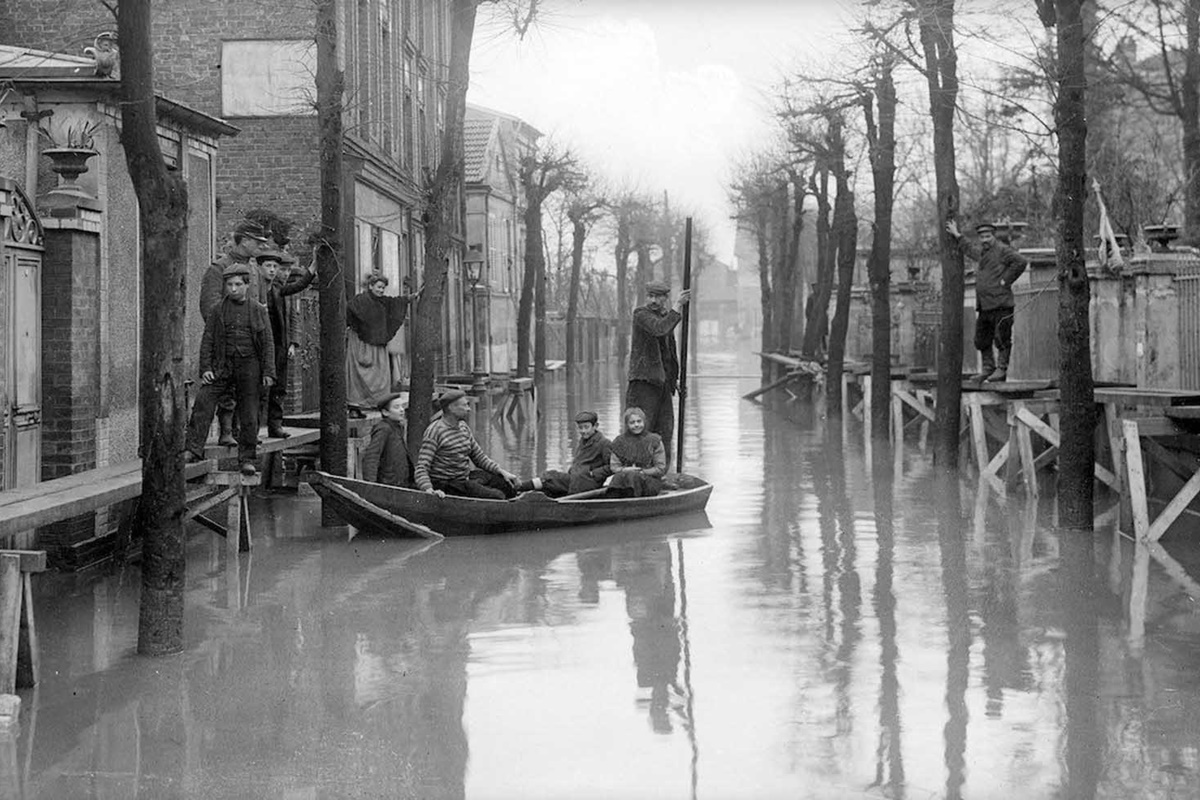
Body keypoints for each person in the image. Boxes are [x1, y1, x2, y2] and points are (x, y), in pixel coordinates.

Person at [184, 263, 275, 471]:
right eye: (229, 285)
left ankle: (247, 459)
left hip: (249, 365)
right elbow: (207, 340)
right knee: (203, 401)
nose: (233, 289)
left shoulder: (258, 310)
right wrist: (206, 368)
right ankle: (193, 449)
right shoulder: (217, 310)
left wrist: (268, 371)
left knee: (249, 413)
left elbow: (268, 342)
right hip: (222, 365)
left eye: (237, 284)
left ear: (247, 285)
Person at [199, 218, 272, 445]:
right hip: (226, 338)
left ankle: (246, 434)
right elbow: (210, 307)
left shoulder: (254, 271)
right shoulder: (219, 268)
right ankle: (226, 431)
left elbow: (261, 306)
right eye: (257, 242)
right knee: (226, 388)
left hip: (252, 341)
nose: (261, 247)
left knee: (250, 389)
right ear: (245, 241)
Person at [946, 219, 1029, 382]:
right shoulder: (983, 252)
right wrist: (957, 235)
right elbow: (969, 249)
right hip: (985, 306)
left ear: (994, 236)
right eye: (982, 237)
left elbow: (1021, 261)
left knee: (1002, 338)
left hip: (1002, 304)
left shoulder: (1003, 250)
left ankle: (1001, 370)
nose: (985, 239)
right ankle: (987, 368)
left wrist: (1006, 280)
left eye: (988, 236)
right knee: (981, 339)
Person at [626, 280, 690, 458]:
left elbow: (669, 354)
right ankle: (636, 475)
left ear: (664, 299)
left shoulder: (665, 317)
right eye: (650, 296)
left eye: (658, 297)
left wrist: (674, 380)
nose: (653, 300)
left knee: (664, 433)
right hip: (643, 385)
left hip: (662, 386)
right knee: (640, 430)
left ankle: (660, 475)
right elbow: (659, 330)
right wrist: (678, 306)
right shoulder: (641, 315)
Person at [414, 390, 518, 499]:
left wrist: (501, 472)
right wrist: (429, 489)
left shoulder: (463, 427)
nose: (469, 409)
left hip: (464, 478)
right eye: (464, 405)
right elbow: (422, 467)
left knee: (506, 485)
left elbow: (479, 458)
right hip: (447, 484)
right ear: (451, 408)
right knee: (498, 496)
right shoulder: (435, 431)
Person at [256, 249, 316, 438]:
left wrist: (311, 270)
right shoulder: (252, 289)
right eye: (268, 266)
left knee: (279, 387)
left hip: (278, 346)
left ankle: (275, 426)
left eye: (275, 266)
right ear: (259, 268)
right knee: (258, 389)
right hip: (259, 347)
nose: (272, 270)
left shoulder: (278, 290)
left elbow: (297, 287)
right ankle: (253, 430)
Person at [346, 271, 419, 415]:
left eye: (383, 288)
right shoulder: (360, 301)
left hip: (378, 345)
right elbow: (348, 314)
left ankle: (377, 403)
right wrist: (355, 330)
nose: (380, 290)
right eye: (378, 287)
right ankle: (355, 406)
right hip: (360, 344)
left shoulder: (384, 302)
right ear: (371, 286)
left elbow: (398, 302)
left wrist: (413, 296)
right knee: (357, 376)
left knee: (380, 376)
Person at [515, 410, 612, 497]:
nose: (583, 431)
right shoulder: (583, 441)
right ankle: (520, 492)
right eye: (580, 428)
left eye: (586, 427)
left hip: (587, 482)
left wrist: (594, 473)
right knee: (548, 486)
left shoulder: (604, 443)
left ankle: (519, 486)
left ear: (595, 426)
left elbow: (614, 466)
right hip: (575, 479)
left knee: (550, 477)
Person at [607, 407, 667, 498]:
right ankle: (612, 503)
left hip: (650, 482)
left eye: (639, 421)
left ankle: (634, 504)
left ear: (644, 422)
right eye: (632, 422)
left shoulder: (654, 441)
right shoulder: (619, 442)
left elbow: (660, 468)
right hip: (626, 478)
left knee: (633, 476)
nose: (636, 425)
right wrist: (625, 470)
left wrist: (642, 472)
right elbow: (614, 466)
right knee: (618, 478)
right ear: (627, 424)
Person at [361, 391, 413, 487]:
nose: (402, 410)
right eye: (396, 407)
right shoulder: (384, 429)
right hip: (389, 484)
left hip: (400, 483)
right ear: (385, 412)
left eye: (402, 406)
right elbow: (372, 457)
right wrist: (371, 486)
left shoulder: (398, 427)